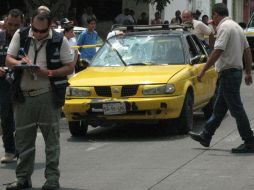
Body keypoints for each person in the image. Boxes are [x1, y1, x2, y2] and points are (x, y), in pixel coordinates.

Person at [5, 8, 74, 190]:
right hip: (23, 97)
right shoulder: (21, 35)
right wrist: (20, 64)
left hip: (47, 96)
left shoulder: (60, 40)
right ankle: (22, 179)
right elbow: (9, 59)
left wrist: (49, 72)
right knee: (23, 140)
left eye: (42, 31)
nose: (38, 34)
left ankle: (52, 180)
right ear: (31, 23)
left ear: (50, 25)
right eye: (35, 29)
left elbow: (69, 66)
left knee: (51, 141)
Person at [189, 3, 254, 153]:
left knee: (236, 109)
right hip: (234, 72)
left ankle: (249, 140)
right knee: (219, 108)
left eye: (213, 16)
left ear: (217, 15)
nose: (213, 20)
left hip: (229, 74)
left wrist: (203, 70)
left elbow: (217, 51)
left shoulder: (225, 28)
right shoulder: (237, 27)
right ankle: (206, 135)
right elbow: (247, 50)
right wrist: (248, 71)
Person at [0, 9, 24, 164]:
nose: (12, 27)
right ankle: (10, 150)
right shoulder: (0, 37)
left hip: (22, 81)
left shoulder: (27, 38)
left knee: (21, 118)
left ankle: (18, 148)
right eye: (10, 24)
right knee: (6, 115)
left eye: (16, 25)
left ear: (22, 23)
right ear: (5, 22)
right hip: (3, 82)